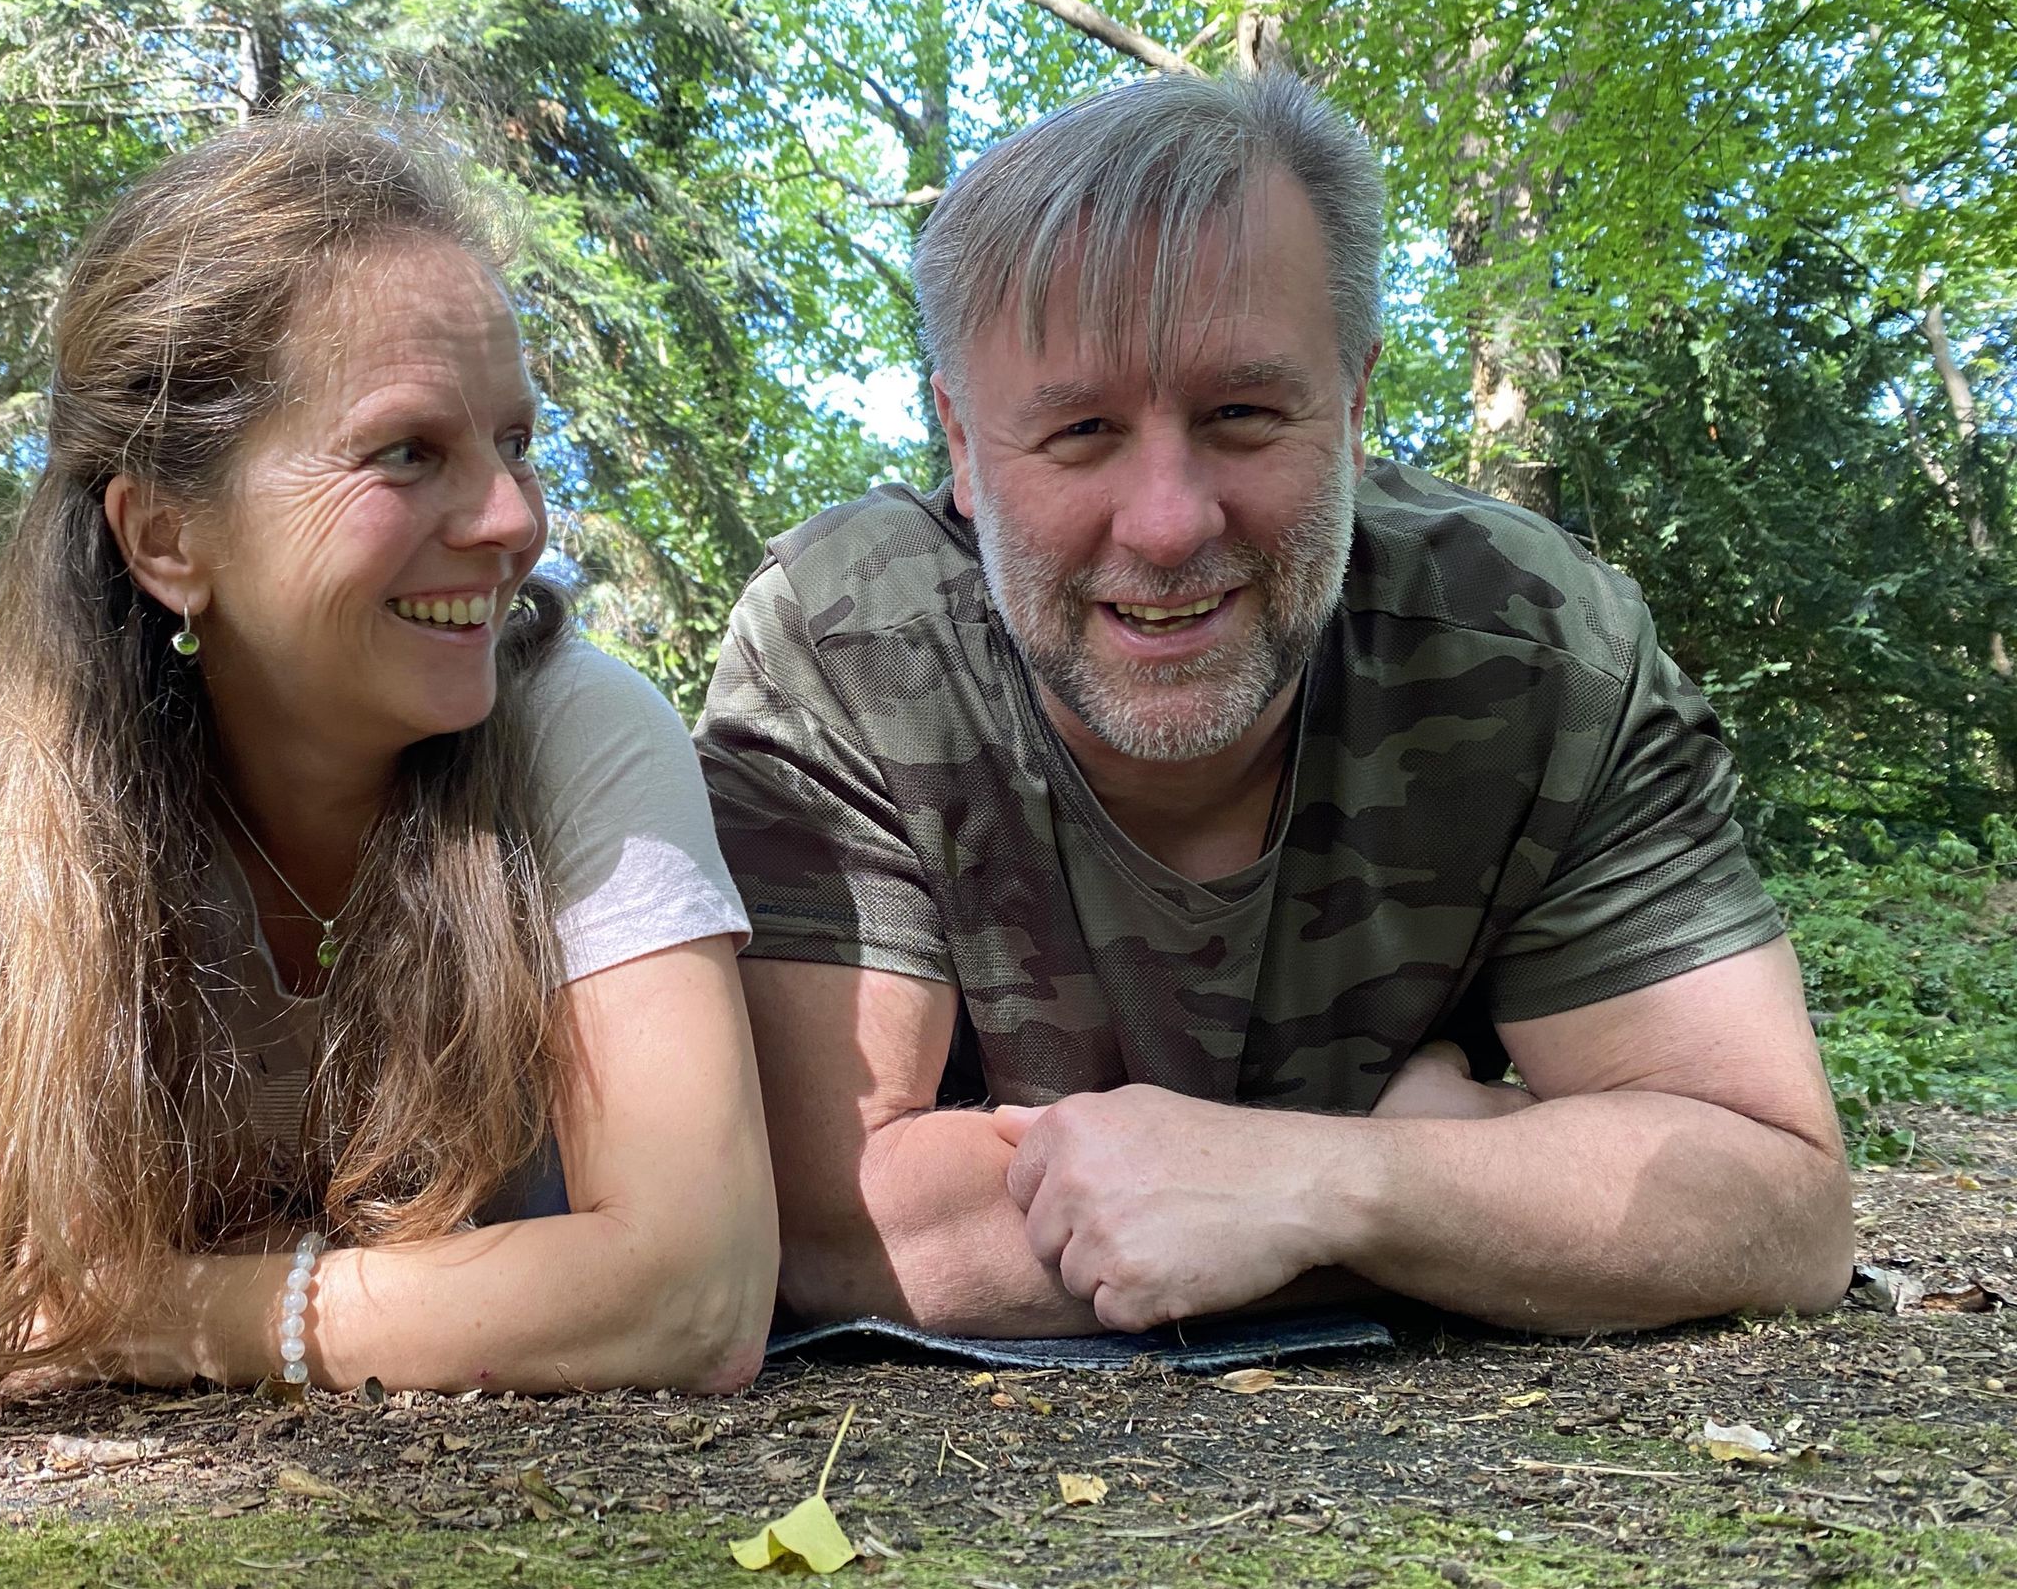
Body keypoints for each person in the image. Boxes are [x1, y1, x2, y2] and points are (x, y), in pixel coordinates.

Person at [695, 70, 1853, 1340]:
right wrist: (1480, 1185)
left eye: (1241, 413)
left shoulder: (1540, 650)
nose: (1168, 524)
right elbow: (827, 1225)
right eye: (1079, 430)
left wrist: (1333, 1190)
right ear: (962, 445)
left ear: (1351, 407)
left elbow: (1779, 1201)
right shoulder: (843, 649)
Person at [0, 110, 776, 1406]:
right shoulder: (24, 763)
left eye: (515, 444)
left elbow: (692, 1292)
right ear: (166, 537)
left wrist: (174, 1312)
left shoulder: (581, 732)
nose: (513, 521)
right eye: (407, 452)